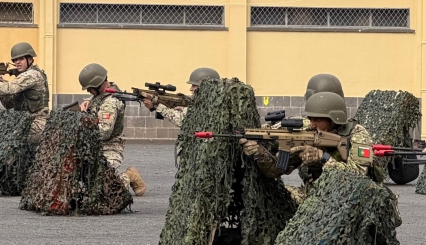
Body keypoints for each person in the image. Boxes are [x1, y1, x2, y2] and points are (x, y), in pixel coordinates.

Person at [241, 85, 378, 201]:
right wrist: (259, 152)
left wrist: (322, 157)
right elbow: (275, 170)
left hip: (350, 199)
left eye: (318, 119)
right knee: (275, 195)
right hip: (315, 196)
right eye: (310, 118)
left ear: (333, 119)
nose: (312, 123)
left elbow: (359, 176)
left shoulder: (358, 135)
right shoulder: (308, 133)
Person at [77, 63, 147, 197]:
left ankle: (129, 176)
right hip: (93, 145)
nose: (88, 91)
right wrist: (87, 102)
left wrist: (82, 125)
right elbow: (97, 100)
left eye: (90, 88)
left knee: (106, 189)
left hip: (110, 147)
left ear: (98, 84)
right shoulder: (103, 94)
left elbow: (103, 132)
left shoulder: (111, 102)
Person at [0, 42, 49, 143]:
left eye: (21, 59)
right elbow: (9, 104)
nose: (17, 62)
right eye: (15, 60)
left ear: (30, 59)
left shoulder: (32, 74)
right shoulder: (23, 78)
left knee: (4, 135)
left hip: (37, 124)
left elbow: (9, 88)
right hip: (24, 121)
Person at [140, 67, 218, 128]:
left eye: (194, 85)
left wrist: (158, 106)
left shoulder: (209, 104)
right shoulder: (205, 100)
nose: (190, 89)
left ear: (206, 86)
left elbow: (182, 121)